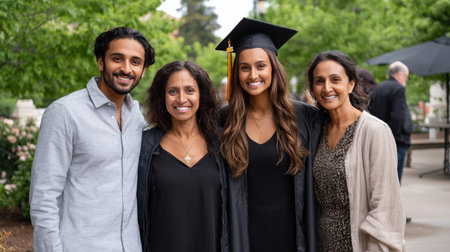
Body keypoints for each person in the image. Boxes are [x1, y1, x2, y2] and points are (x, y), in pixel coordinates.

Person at [29, 27, 155, 251]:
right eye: (117, 59)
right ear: (101, 62)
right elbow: (44, 198)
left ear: (143, 70)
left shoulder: (138, 117)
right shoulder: (65, 113)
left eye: (135, 62)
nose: (126, 69)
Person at [216, 18, 323, 252]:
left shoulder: (305, 118)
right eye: (244, 67)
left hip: (293, 237)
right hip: (244, 236)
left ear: (274, 67)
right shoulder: (223, 119)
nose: (253, 74)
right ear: (236, 72)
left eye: (260, 66)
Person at [306, 50, 405, 251]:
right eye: (319, 81)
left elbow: (384, 209)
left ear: (351, 84)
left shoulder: (374, 131)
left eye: (335, 79)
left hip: (357, 246)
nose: (327, 88)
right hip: (322, 245)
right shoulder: (318, 131)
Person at [136, 61, 229, 252]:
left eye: (189, 90)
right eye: (172, 91)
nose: (181, 98)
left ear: (201, 95)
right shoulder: (145, 145)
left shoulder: (222, 144)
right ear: (162, 97)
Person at [369, 61, 414, 184]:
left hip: (379, 139)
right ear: (400, 74)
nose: (406, 80)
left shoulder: (378, 88)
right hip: (396, 141)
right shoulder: (398, 88)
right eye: (406, 76)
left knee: (381, 179)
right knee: (394, 180)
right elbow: (398, 116)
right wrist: (391, 137)